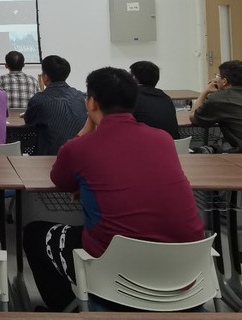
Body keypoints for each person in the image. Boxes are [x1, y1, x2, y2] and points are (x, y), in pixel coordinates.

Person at [24, 67, 204, 311]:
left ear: (91, 102)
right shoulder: (162, 139)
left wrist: (86, 128)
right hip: (184, 270)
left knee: (34, 233)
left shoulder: (80, 148)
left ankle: (68, 310)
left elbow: (59, 179)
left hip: (117, 271)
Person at [24, 55, 87, 155]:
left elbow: (29, 123)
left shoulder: (39, 100)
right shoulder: (81, 97)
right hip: (79, 155)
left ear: (46, 77)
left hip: (48, 158)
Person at [129, 60, 180, 139]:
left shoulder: (131, 97)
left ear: (134, 77)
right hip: (174, 144)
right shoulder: (166, 98)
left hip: (146, 144)